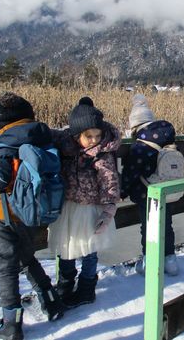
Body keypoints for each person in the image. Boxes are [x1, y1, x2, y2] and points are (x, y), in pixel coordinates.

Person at [0, 92, 64, 340]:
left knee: (6, 268)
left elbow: (1, 178)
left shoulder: (7, 143)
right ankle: (51, 300)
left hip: (4, 215)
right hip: (31, 212)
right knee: (26, 258)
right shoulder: (41, 136)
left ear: (1, 121)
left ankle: (11, 323)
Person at [48, 97, 120, 308]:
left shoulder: (102, 155)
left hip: (91, 209)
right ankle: (65, 283)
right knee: (66, 246)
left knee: (89, 250)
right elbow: (48, 133)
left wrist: (108, 209)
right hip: (68, 207)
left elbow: (109, 181)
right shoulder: (66, 146)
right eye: (88, 136)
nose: (94, 140)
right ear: (76, 135)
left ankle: (87, 287)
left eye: (97, 135)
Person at [121, 94, 180, 275]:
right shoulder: (168, 141)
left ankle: (150, 262)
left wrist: (122, 192)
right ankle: (170, 260)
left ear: (135, 126)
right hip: (167, 192)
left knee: (148, 228)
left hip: (145, 194)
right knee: (167, 225)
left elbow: (130, 173)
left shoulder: (139, 146)